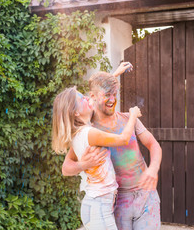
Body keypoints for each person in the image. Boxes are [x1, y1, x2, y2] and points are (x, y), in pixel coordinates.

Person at [62, 66, 162, 230]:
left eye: (114, 94)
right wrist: (82, 165)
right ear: (93, 97)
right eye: (107, 95)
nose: (112, 99)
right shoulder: (90, 132)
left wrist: (153, 169)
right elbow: (66, 168)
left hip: (146, 197)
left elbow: (153, 144)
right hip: (117, 203)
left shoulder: (129, 119)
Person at [52, 80, 142, 229]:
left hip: (96, 205)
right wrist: (133, 116)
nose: (88, 98)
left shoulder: (79, 134)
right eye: (82, 98)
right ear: (75, 112)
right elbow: (123, 139)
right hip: (99, 207)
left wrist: (116, 76)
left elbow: (99, 95)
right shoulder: (89, 133)